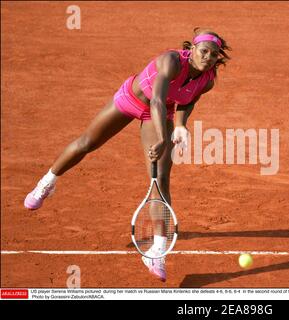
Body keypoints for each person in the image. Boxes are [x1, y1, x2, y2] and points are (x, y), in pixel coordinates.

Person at [24, 27, 231, 282]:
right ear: (192, 50)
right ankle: (47, 182)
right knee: (88, 142)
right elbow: (156, 99)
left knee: (161, 178)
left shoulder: (207, 80)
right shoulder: (171, 60)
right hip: (132, 100)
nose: (208, 57)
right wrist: (164, 137)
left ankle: (156, 250)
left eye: (213, 54)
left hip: (160, 114)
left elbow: (187, 102)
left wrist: (180, 125)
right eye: (203, 51)